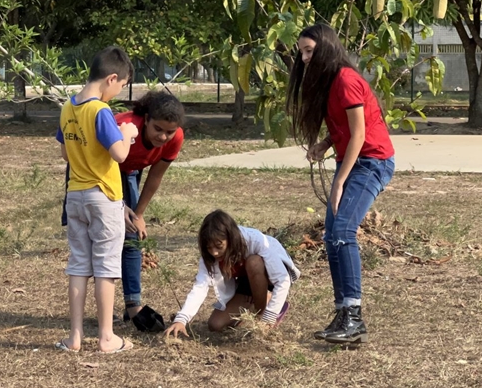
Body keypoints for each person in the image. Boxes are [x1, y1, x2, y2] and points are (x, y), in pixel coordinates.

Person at [286, 23, 395, 344]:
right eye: (302, 52)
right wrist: (324, 144)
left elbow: (360, 135)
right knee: (333, 235)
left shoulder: (346, 80)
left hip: (371, 162)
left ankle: (354, 315)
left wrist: (339, 183)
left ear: (326, 48)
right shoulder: (330, 82)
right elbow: (345, 130)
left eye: (309, 50)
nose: (304, 58)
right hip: (353, 160)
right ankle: (343, 312)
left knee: (344, 231)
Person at [55, 46, 138, 354]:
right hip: (103, 197)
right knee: (105, 266)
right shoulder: (100, 111)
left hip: (75, 195)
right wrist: (126, 133)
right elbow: (119, 155)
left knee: (78, 264)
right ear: (111, 79)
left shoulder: (68, 107)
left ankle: (74, 336)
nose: (117, 93)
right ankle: (106, 336)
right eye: (120, 86)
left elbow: (65, 152)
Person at [165, 210, 299, 338]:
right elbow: (200, 286)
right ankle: (263, 301)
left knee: (254, 262)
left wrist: (267, 318)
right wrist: (181, 319)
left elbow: (282, 280)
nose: (214, 252)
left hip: (268, 276)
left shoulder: (256, 240)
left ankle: (264, 311)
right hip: (246, 281)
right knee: (215, 324)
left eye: (219, 246)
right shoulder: (209, 257)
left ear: (231, 238)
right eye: (209, 247)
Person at [116, 90, 185, 332]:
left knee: (132, 232)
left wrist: (139, 212)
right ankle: (131, 306)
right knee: (112, 237)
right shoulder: (124, 127)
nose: (163, 136)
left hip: (131, 169)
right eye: (157, 128)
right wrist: (119, 205)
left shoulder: (175, 138)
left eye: (169, 131)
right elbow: (98, 164)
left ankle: (132, 305)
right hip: (98, 169)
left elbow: (156, 175)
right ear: (145, 120)